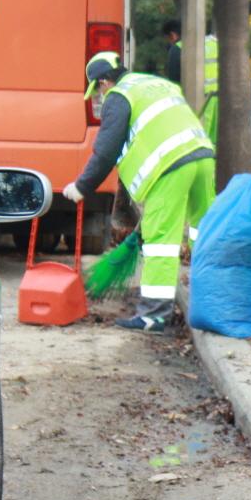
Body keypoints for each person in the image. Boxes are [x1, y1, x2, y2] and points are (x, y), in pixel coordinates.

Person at [65, 51, 214, 332]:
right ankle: (211, 300)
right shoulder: (154, 84)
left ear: (104, 82)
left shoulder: (119, 96)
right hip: (201, 155)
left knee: (161, 241)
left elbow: (107, 148)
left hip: (171, 165)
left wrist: (82, 186)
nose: (99, 95)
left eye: (97, 89)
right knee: (203, 230)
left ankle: (154, 316)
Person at [161, 19, 181, 83]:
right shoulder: (203, 45)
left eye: (167, 39)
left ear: (173, 35)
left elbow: (173, 79)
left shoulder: (176, 49)